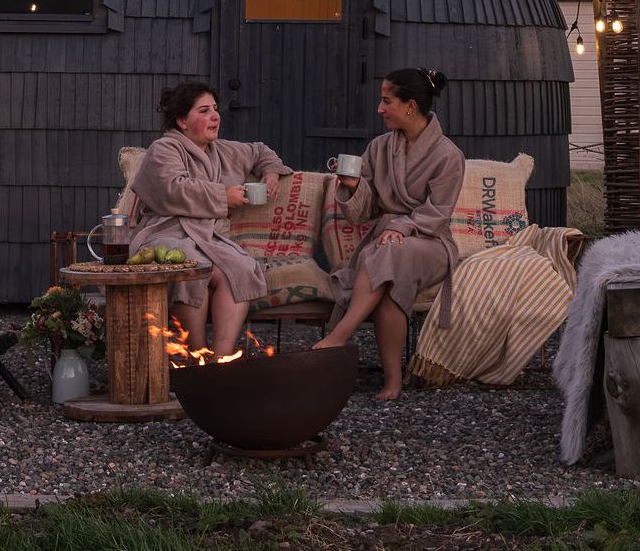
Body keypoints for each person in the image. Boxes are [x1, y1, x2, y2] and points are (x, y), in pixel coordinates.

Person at [313, 67, 464, 400]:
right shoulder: (379, 148)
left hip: (430, 243)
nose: (379, 108)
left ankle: (339, 336)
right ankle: (393, 381)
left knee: (388, 253)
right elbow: (366, 210)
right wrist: (353, 186)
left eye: (386, 101)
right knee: (390, 282)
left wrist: (400, 227)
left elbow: (437, 213)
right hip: (388, 244)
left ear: (410, 106)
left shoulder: (448, 156)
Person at [128, 80, 290, 356]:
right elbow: (172, 189)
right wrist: (223, 197)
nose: (215, 116)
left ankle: (220, 360)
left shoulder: (224, 151)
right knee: (194, 270)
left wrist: (271, 172)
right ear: (182, 121)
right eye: (204, 111)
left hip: (209, 238)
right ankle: (197, 353)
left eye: (215, 109)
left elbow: (261, 151)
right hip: (166, 234)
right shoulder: (164, 149)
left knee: (240, 269)